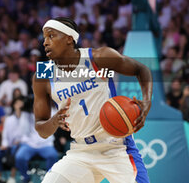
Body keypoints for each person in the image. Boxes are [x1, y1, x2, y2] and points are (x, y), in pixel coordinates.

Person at [33, 17, 153, 183]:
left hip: (116, 147)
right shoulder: (43, 75)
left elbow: (142, 70)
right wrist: (54, 121)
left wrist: (146, 102)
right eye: (44, 37)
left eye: (51, 36)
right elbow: (41, 129)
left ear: (69, 39)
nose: (45, 42)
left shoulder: (98, 57)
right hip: (80, 151)